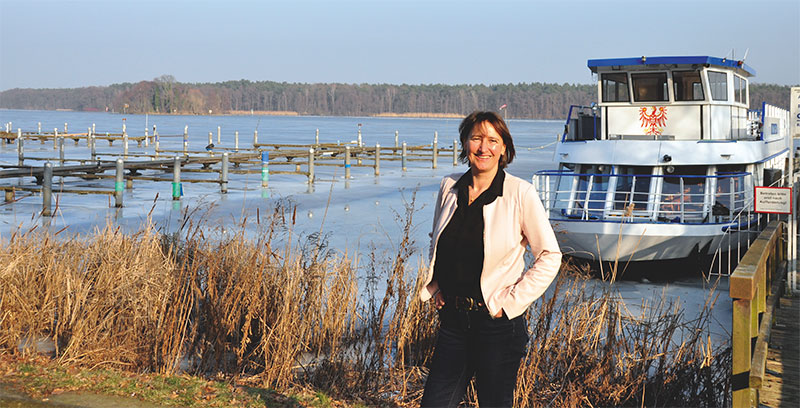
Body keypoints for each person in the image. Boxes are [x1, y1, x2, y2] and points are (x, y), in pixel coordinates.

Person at [419, 111, 562, 407]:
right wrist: (437, 285)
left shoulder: (520, 193)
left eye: (492, 141)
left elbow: (550, 256)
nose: (484, 148)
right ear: (465, 144)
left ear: (504, 149)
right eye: (476, 139)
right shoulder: (450, 186)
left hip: (497, 326)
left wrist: (508, 304)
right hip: (453, 322)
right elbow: (439, 238)